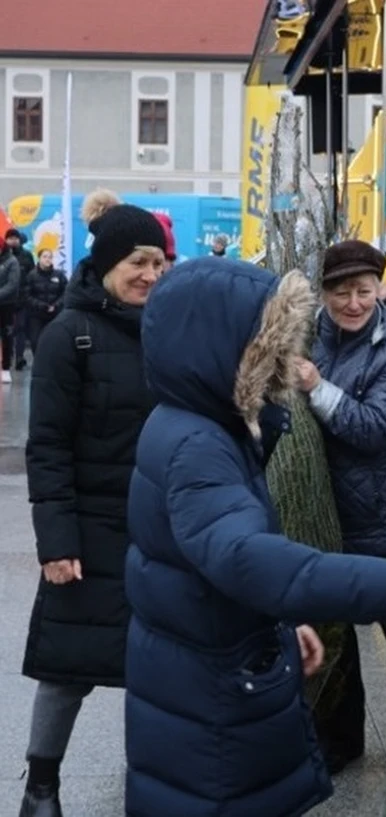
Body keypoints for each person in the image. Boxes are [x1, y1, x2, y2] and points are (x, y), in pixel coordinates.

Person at [123, 257, 386, 817]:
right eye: (265, 343)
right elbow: (243, 555)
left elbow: (212, 557)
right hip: (212, 698)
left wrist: (275, 625)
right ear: (221, 346)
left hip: (208, 667)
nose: (277, 357)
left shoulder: (189, 419)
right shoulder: (200, 443)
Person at [19, 190, 168, 817]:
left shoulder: (169, 331)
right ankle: (41, 787)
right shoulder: (68, 335)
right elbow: (46, 446)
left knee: (158, 670)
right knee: (68, 665)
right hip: (87, 527)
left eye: (159, 263)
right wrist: (56, 543)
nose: (150, 275)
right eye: (138, 261)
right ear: (106, 263)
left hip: (157, 530)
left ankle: (153, 781)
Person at [299, 240, 386, 774]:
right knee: (334, 632)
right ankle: (340, 740)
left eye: (363, 292)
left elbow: (377, 427)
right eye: (341, 293)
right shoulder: (307, 332)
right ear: (324, 293)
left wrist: (315, 387)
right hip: (328, 512)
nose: (353, 304)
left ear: (379, 290)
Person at [23, 250, 68, 355]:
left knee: (55, 341)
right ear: (39, 258)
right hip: (36, 314)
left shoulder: (59, 275)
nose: (48, 259)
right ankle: (38, 363)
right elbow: (26, 295)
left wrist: (56, 305)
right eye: (45, 256)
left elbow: (66, 292)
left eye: (50, 257)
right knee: (35, 341)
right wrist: (40, 305)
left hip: (55, 314)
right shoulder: (31, 275)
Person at [7, 229, 35, 370]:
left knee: (21, 328)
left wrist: (28, 294)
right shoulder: (3, 256)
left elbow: (32, 276)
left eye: (15, 238)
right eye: (10, 238)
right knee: (7, 329)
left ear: (19, 240)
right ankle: (8, 356)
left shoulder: (27, 255)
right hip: (5, 300)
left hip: (23, 300)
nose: (13, 241)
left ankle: (19, 357)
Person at [0, 239, 21, 384]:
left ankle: (6, 368)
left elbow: (13, 284)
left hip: (6, 305)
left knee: (6, 336)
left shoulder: (12, 261)